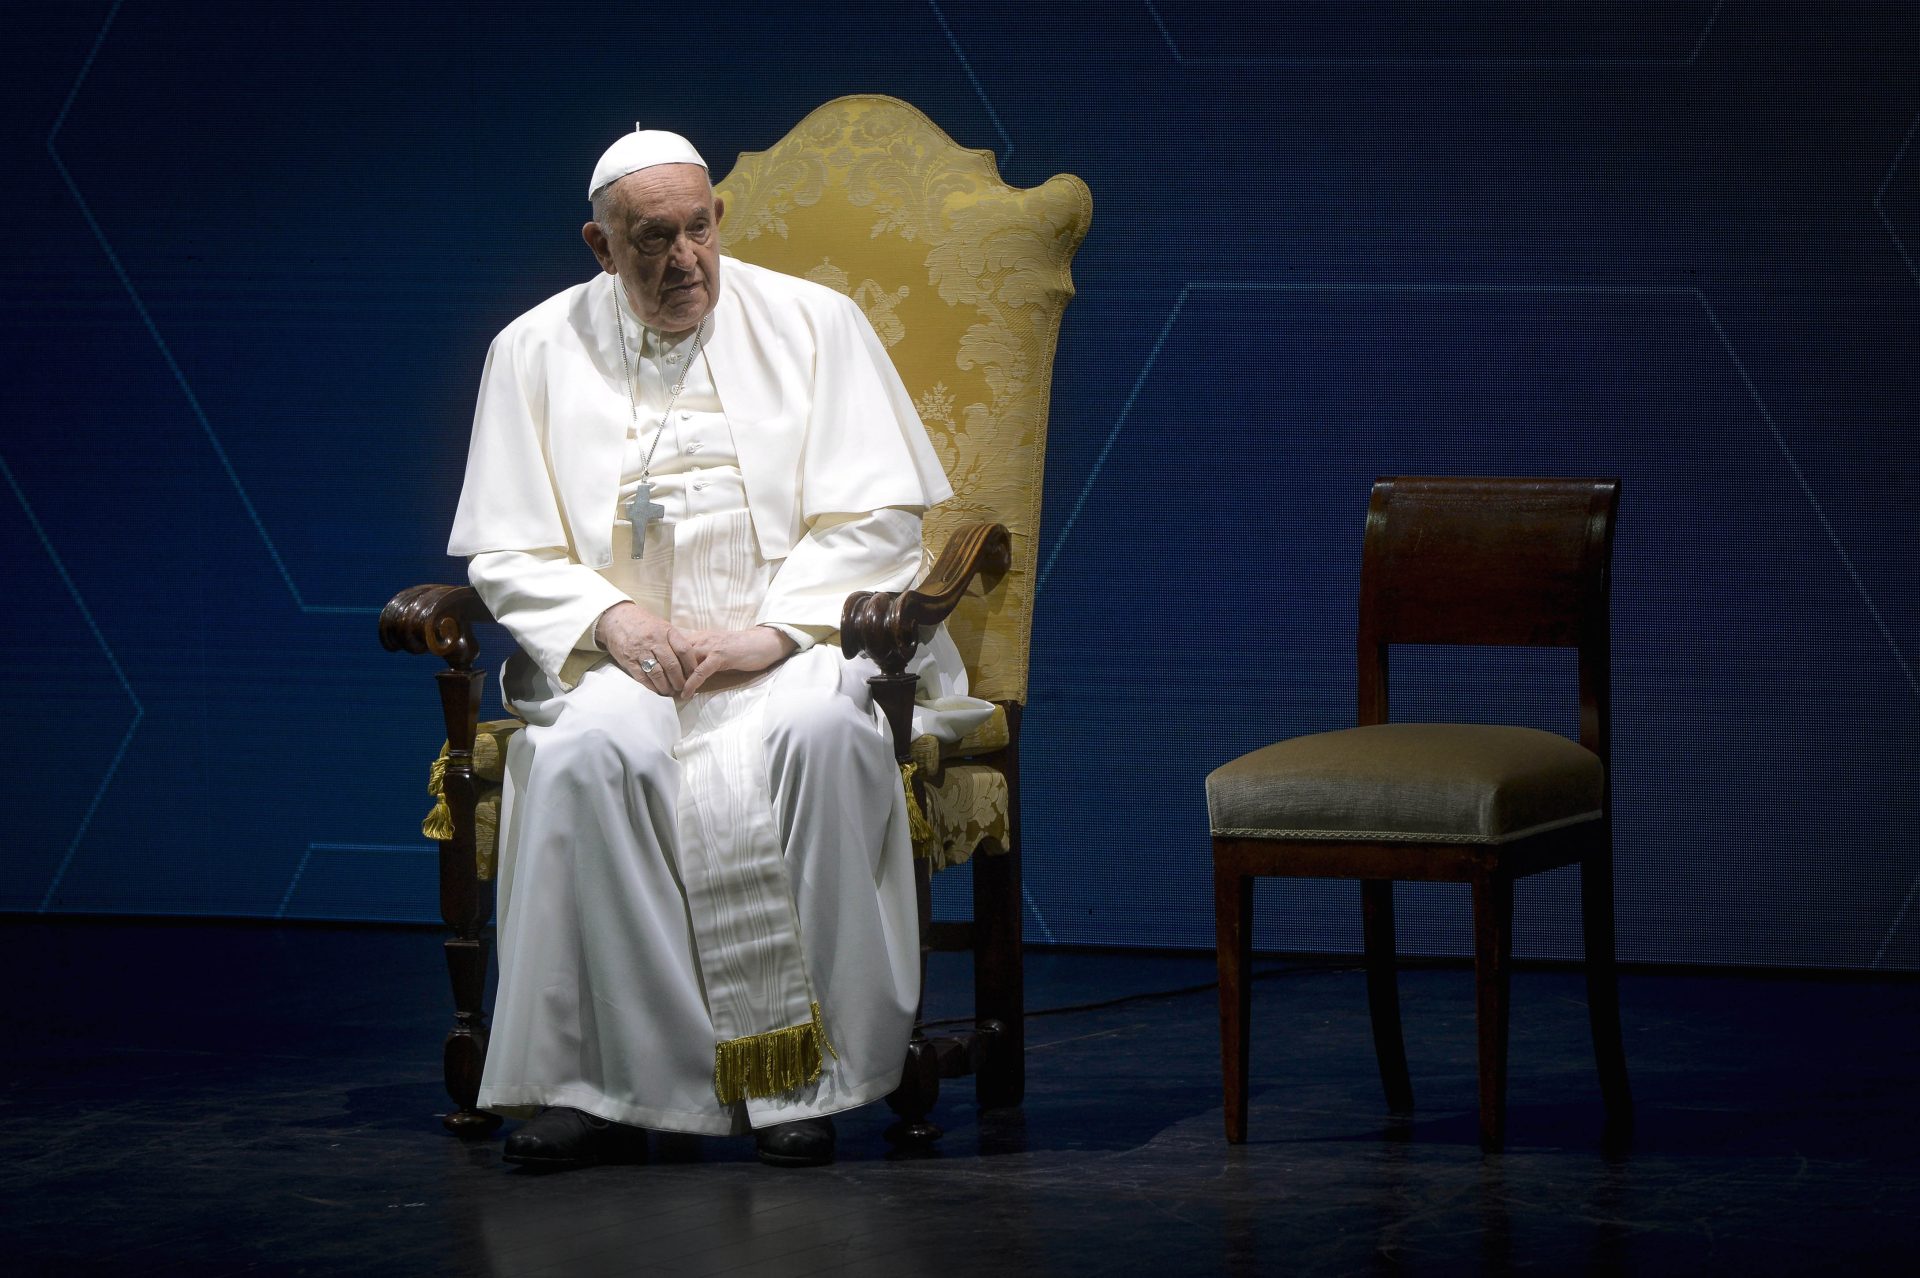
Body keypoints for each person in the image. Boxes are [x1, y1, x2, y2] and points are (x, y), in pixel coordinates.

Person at [447, 127, 986, 1169]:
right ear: (600, 246)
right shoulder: (531, 349)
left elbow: (878, 521)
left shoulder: (816, 325)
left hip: (795, 641)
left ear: (718, 220)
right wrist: (612, 622)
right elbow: (507, 548)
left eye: (699, 229)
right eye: (652, 239)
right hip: (623, 658)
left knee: (824, 738)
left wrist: (772, 633)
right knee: (582, 758)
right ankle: (593, 1088)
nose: (685, 260)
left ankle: (802, 1083)